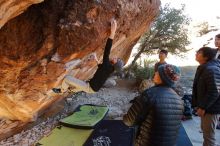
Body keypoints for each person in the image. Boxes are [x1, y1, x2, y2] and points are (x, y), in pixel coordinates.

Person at [123, 64, 183, 146]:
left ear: (162, 77)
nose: (155, 73)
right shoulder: (179, 100)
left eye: (158, 72)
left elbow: (129, 121)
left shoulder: (150, 94)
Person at [52, 19, 118, 94]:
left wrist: (113, 33)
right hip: (92, 87)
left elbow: (107, 51)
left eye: (116, 59)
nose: (115, 57)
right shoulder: (108, 69)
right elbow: (101, 67)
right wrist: (96, 59)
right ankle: (69, 90)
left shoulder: (107, 65)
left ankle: (61, 91)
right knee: (74, 89)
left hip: (89, 87)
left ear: (114, 63)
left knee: (67, 79)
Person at [192, 47, 220, 146]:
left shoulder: (211, 69)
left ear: (206, 57)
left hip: (211, 109)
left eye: (199, 52)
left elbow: (215, 91)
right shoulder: (204, 67)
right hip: (207, 107)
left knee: (209, 137)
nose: (196, 54)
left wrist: (203, 107)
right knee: (206, 134)